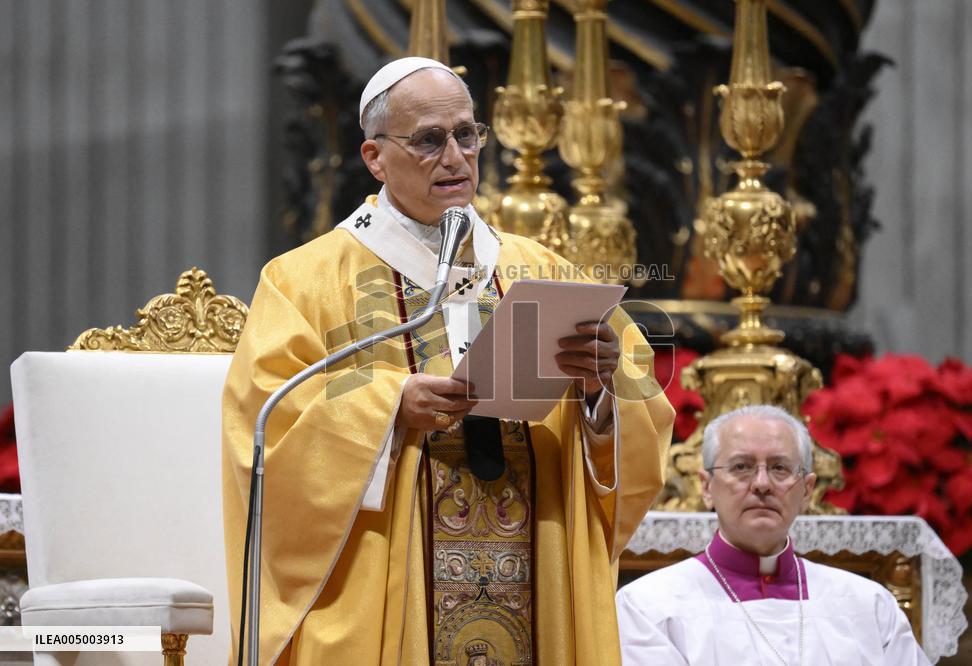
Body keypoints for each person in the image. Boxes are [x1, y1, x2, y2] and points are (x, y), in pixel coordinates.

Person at [222, 56, 675, 665]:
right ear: (374, 157)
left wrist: (601, 389)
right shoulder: (306, 281)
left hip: (536, 564)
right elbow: (265, 422)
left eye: (467, 134)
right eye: (429, 140)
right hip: (387, 584)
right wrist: (389, 407)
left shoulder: (539, 269)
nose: (456, 157)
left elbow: (642, 414)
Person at [616, 404, 931, 665]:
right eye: (741, 467)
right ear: (707, 487)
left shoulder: (870, 606)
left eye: (780, 468)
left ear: (806, 490)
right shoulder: (648, 607)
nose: (762, 484)